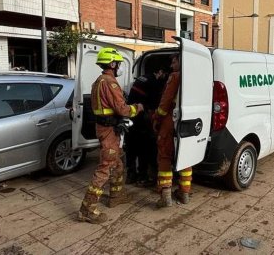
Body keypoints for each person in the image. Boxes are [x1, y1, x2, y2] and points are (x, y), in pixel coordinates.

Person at [78, 47, 144, 224]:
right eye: (119, 64)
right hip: (109, 131)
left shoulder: (98, 81)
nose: (121, 67)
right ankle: (87, 209)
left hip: (106, 128)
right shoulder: (110, 83)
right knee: (105, 167)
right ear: (112, 64)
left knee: (118, 163)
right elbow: (123, 109)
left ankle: (116, 195)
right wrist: (138, 107)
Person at [152, 53, 192, 207]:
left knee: (165, 156)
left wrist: (156, 117)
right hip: (189, 120)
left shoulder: (175, 76)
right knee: (187, 156)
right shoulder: (196, 76)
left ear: (181, 61)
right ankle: (185, 193)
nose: (171, 65)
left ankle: (166, 196)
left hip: (171, 120)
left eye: (174, 61)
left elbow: (165, 102)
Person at [125, 69, 168, 186]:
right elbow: (155, 105)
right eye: (164, 74)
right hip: (142, 117)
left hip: (131, 115)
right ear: (160, 71)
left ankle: (130, 175)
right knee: (144, 148)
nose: (164, 77)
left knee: (131, 147)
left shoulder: (142, 77)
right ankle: (142, 177)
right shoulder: (154, 82)